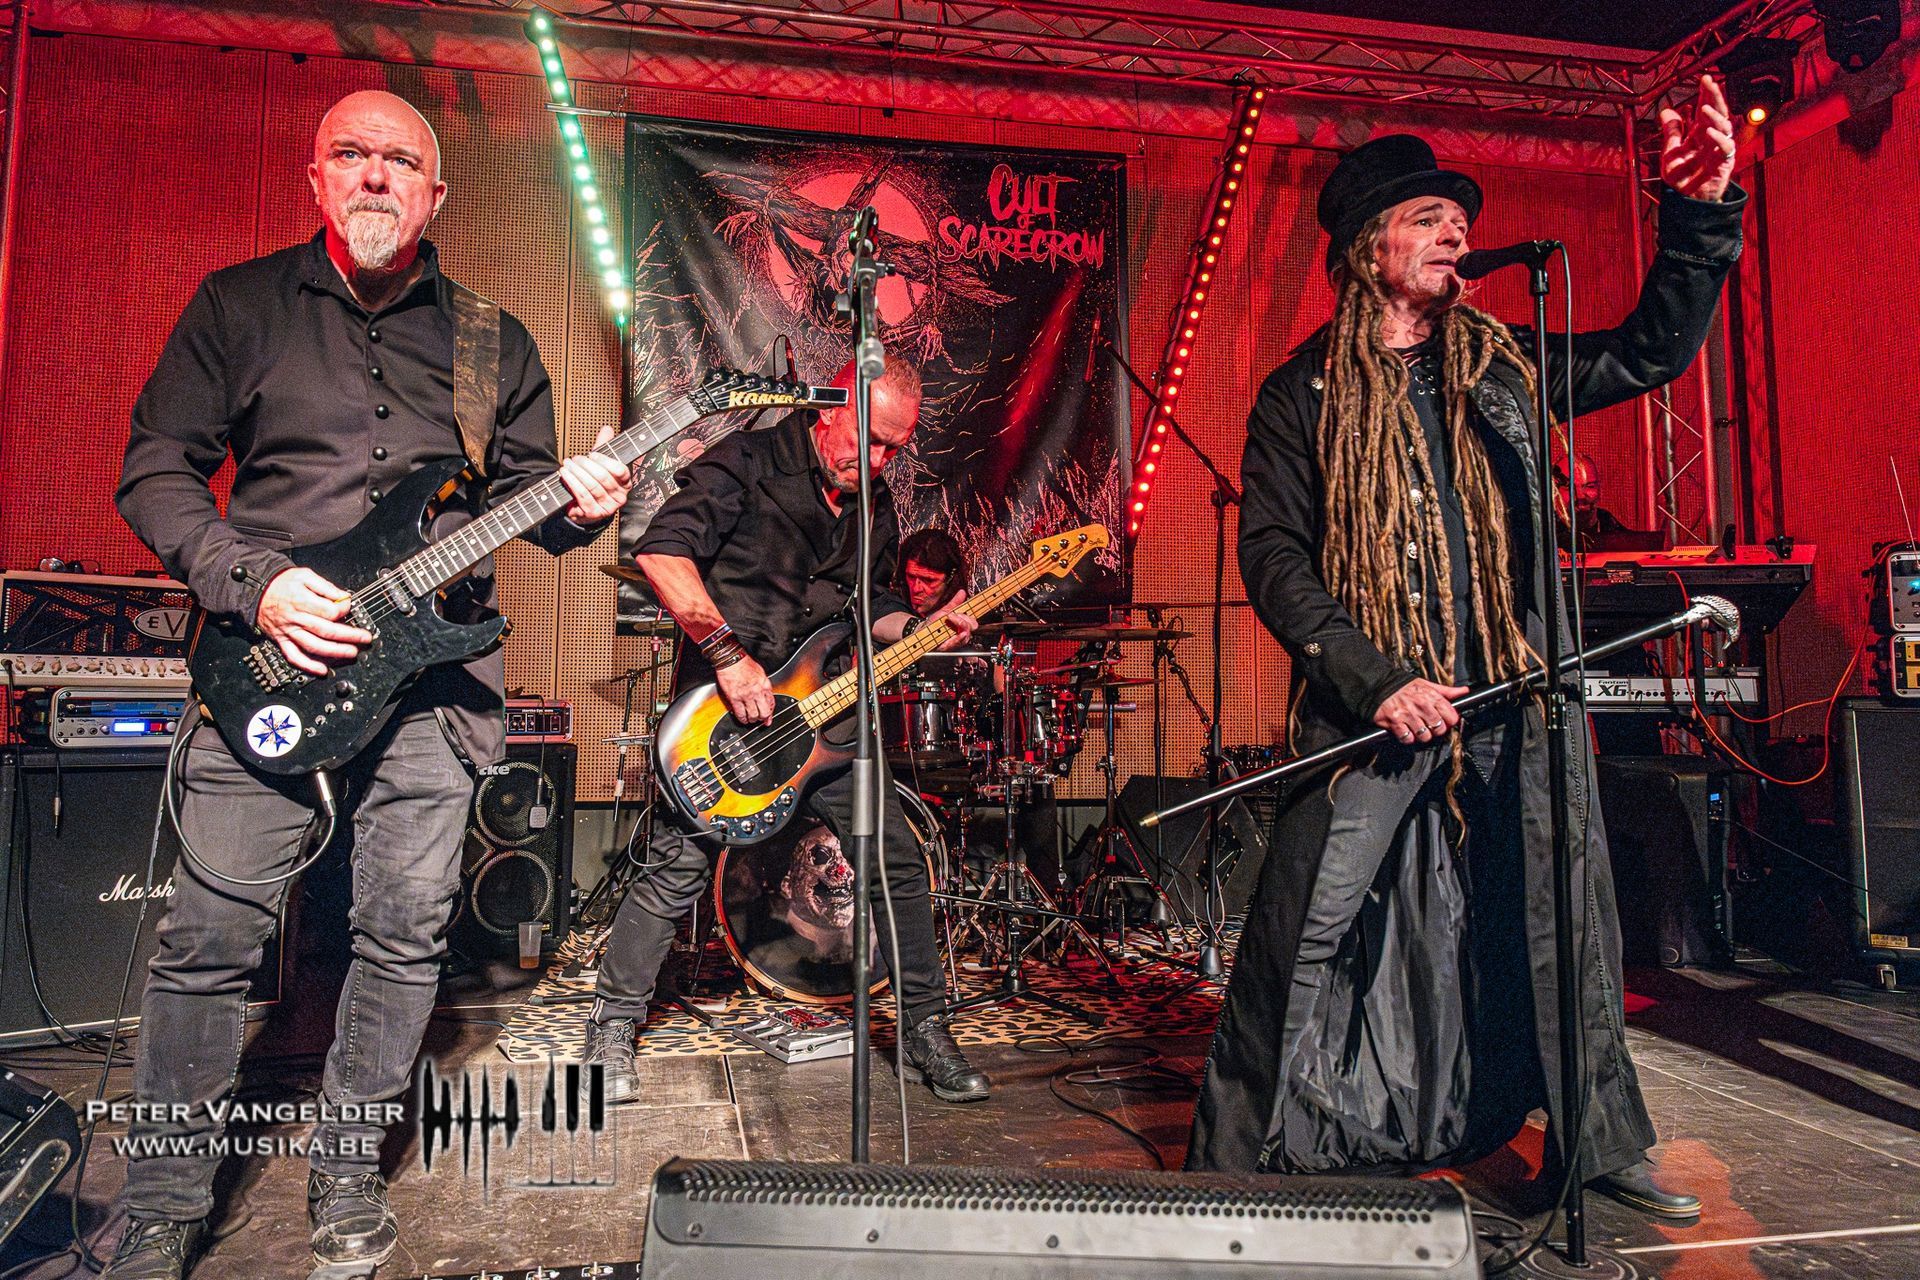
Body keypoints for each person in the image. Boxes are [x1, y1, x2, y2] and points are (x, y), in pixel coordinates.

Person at [1188, 76, 1746, 1221]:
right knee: (1301, 918)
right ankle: (1230, 1158)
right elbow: (1274, 556)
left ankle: (1596, 1141)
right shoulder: (1301, 393)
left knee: (1562, 911)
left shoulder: (1503, 363)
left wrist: (1700, 211)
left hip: (1516, 689)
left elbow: (1651, 349)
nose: (1456, 233)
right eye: (1427, 218)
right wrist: (1372, 677)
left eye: (1461, 218)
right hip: (1379, 701)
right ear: (1367, 248)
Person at [109, 91, 635, 1279]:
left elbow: (534, 505)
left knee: (403, 931)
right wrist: (255, 582)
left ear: (436, 193)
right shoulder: (238, 305)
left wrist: (584, 503)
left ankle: (346, 1167)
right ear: (315, 177)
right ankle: (163, 1200)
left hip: (432, 682)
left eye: (401, 159)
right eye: (352, 153)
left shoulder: (495, 340)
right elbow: (155, 468)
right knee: (210, 935)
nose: (376, 174)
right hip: (271, 656)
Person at [585, 360, 992, 1104]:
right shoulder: (746, 460)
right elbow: (660, 552)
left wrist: (917, 630)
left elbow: (874, 605)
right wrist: (727, 656)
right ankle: (612, 1026)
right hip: (726, 713)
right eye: (870, 439)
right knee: (676, 866)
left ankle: (925, 1027)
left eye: (894, 448)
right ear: (832, 406)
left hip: (829, 714)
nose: (878, 461)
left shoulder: (874, 504)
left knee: (894, 863)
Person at [1556, 452, 1661, 553]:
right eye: (1568, 487)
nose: (1580, 496)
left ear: (1599, 488)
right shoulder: (1548, 536)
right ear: (1554, 491)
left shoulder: (1615, 532)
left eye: (1590, 486)